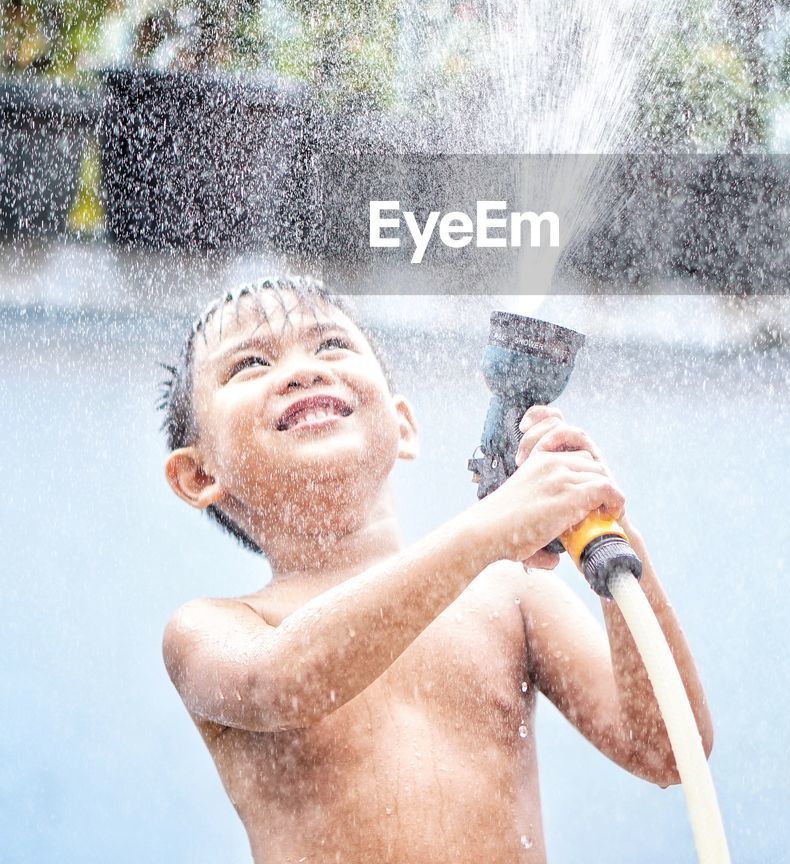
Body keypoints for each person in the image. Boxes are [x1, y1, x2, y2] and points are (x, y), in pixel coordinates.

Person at [161, 276, 713, 864]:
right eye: (249, 363)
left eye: (330, 346)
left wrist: (602, 515)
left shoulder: (509, 593)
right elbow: (286, 682)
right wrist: (494, 529)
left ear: (402, 426)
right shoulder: (211, 630)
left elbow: (667, 750)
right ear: (198, 475)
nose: (301, 370)